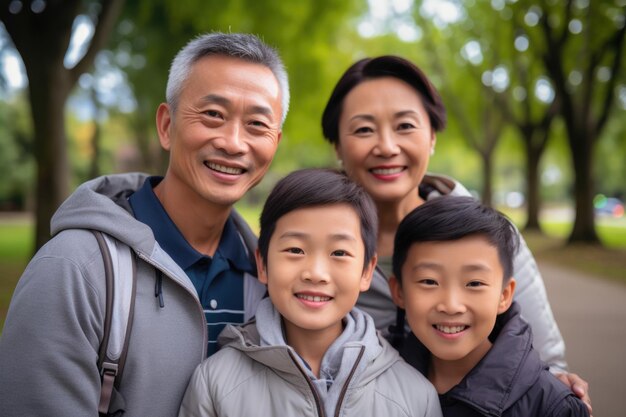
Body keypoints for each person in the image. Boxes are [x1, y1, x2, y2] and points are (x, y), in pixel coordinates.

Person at [0, 32, 288, 417]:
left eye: (256, 124)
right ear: (167, 125)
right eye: (213, 115)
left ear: (275, 143)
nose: (234, 143)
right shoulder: (75, 269)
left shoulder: (269, 285)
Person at [320, 55, 592, 412]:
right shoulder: (315, 246)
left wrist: (556, 392)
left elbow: (546, 358)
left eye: (405, 126)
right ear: (338, 146)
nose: (386, 147)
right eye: (364, 129)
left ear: (431, 137)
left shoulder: (490, 238)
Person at [178, 168, 443, 417]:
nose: (315, 273)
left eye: (339, 253)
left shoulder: (416, 397)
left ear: (366, 271)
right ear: (262, 263)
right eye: (295, 250)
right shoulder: (215, 383)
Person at [388, 196, 589, 416]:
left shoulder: (551, 406)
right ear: (399, 292)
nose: (451, 305)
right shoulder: (376, 383)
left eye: (474, 283)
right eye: (429, 281)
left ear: (504, 295)